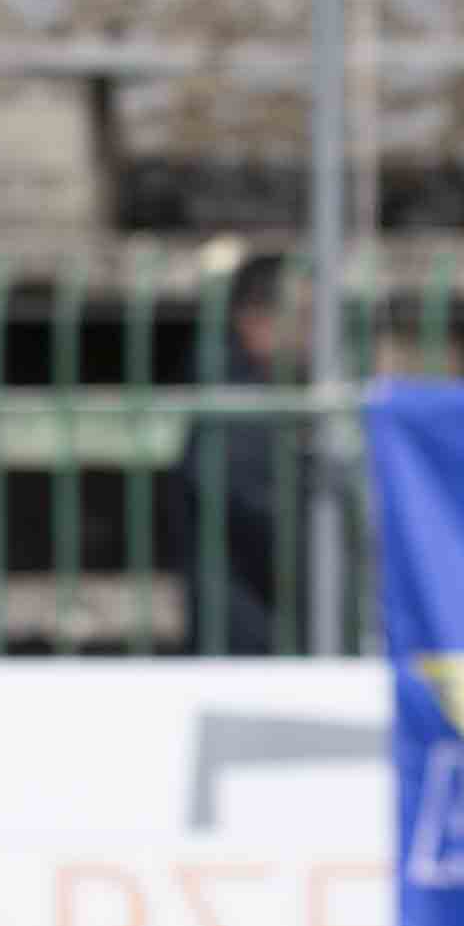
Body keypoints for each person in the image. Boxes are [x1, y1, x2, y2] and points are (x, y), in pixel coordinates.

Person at [180, 253, 306, 657]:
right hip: (248, 652)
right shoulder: (233, 413)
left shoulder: (259, 401)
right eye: (306, 317)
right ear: (257, 323)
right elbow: (278, 529)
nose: (319, 333)